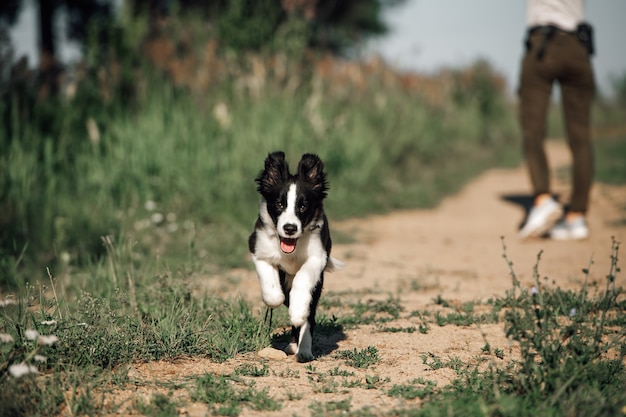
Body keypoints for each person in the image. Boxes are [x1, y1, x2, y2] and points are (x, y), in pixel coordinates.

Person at [517, 0, 595, 240]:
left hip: (544, 43)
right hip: (577, 46)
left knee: (532, 129)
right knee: (581, 137)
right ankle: (576, 217)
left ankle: (542, 199)